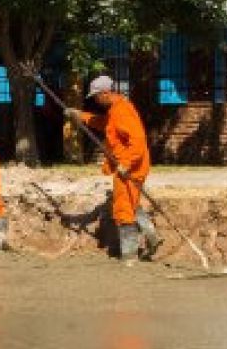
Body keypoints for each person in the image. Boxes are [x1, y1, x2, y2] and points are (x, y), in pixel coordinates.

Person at [66, 75, 160, 262]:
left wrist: (127, 163)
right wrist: (81, 115)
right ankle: (151, 234)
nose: (94, 100)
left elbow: (138, 141)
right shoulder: (115, 109)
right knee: (129, 201)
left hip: (131, 167)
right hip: (130, 166)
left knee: (124, 208)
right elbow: (104, 124)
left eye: (96, 96)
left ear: (105, 93)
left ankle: (129, 255)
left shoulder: (122, 111)